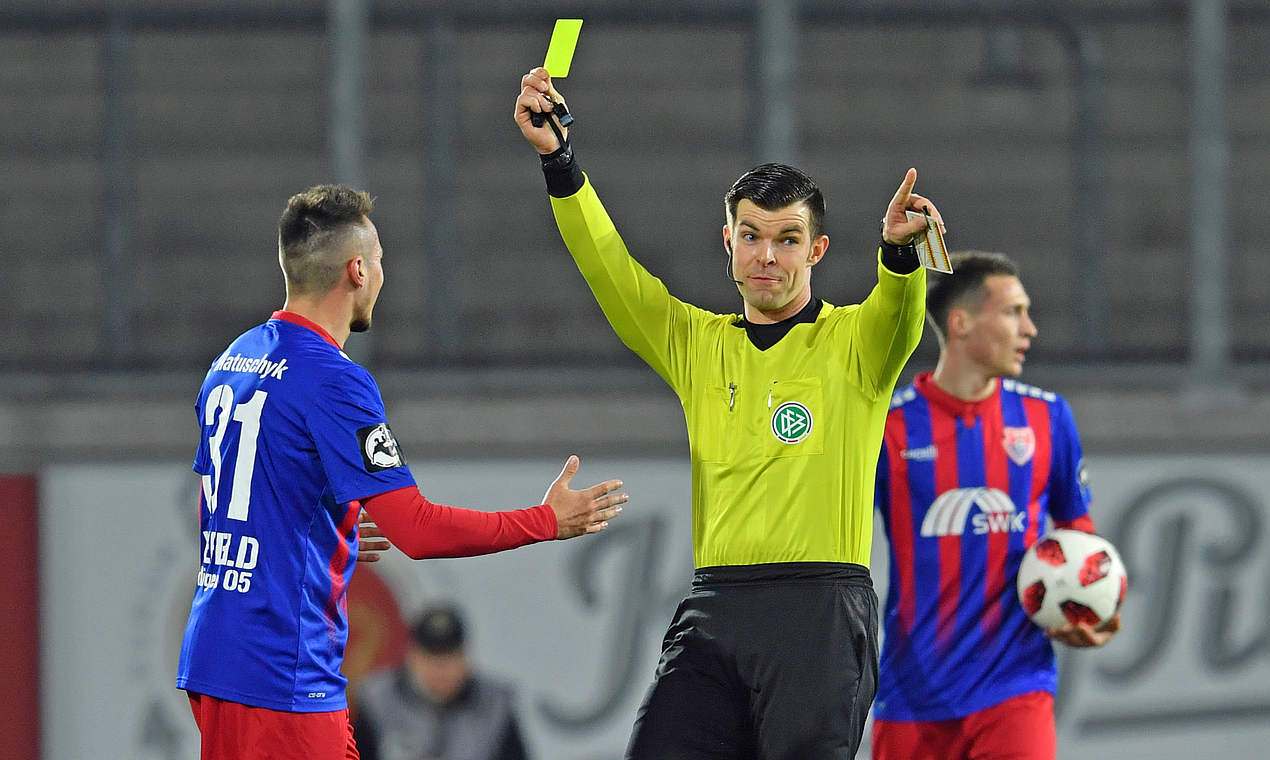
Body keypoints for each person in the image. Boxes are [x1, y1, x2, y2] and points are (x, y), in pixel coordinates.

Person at [514, 67, 945, 760]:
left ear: (817, 250)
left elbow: (900, 316)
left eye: (787, 239)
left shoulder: (856, 344)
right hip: (715, 607)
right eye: (751, 236)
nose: (766, 256)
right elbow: (610, 269)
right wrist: (559, 162)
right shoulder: (695, 343)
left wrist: (899, 254)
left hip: (820, 610)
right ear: (728, 241)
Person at [176, 184, 629, 760]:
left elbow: (216, 504)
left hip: (214, 657)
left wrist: (318, 531)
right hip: (282, 667)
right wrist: (545, 520)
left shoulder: (232, 360)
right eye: (381, 260)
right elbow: (416, 530)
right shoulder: (335, 381)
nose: (383, 275)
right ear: (358, 270)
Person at [871, 251, 1122, 760]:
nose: (1029, 329)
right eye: (1013, 312)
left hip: (1015, 685)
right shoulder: (888, 427)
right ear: (960, 323)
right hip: (911, 693)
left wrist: (1093, 602)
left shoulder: (1047, 416)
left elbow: (1077, 527)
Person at [354, 604, 531, 760]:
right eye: (430, 659)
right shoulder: (378, 701)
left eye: (448, 659)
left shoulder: (494, 705)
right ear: (411, 656)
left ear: (465, 657)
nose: (439, 670)